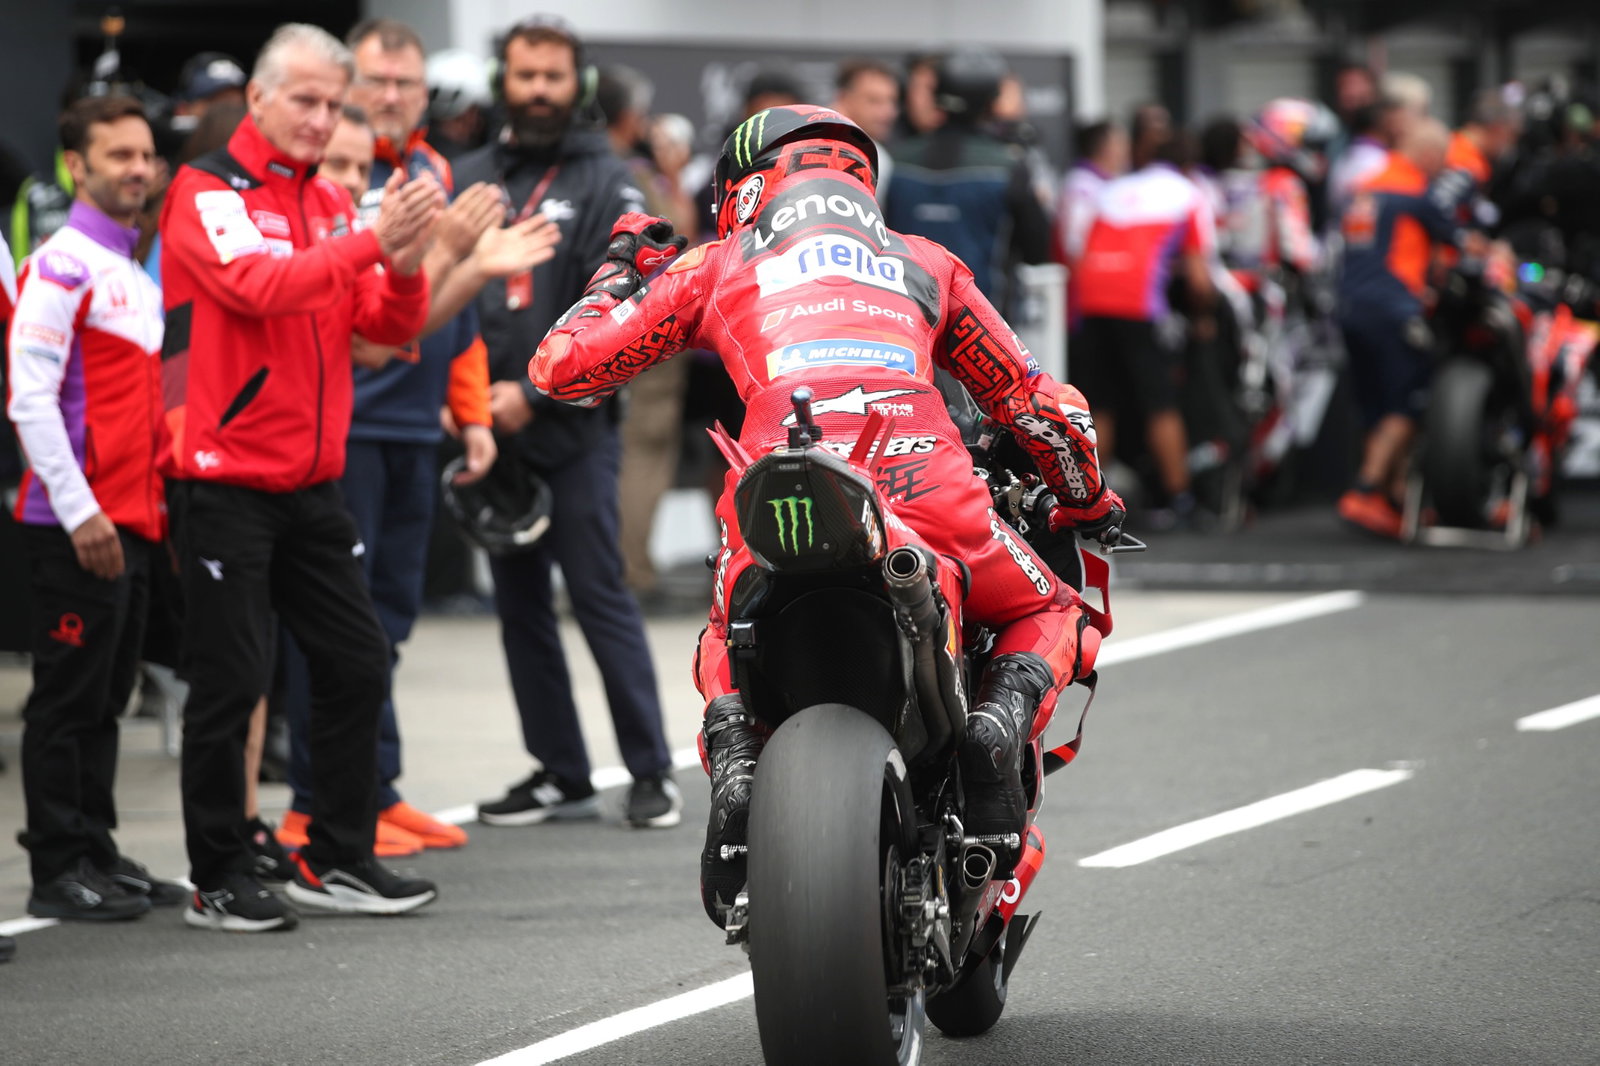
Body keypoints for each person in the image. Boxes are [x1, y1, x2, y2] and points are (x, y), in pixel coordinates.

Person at [525, 104, 1125, 926]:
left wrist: (618, 277)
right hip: (928, 491)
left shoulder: (715, 261)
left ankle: (736, 759)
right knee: (1049, 607)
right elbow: (1033, 404)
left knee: (725, 632)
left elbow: (560, 370)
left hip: (780, 492)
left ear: (746, 186)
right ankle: (995, 721)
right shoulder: (924, 262)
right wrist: (1086, 495)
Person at [159, 22, 445, 931]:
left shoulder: (325, 201)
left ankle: (338, 854)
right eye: (308, 101)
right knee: (232, 681)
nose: (325, 120)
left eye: (335, 104)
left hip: (310, 483)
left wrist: (399, 260)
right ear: (258, 98)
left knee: (358, 661)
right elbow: (258, 286)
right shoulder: (207, 187)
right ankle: (216, 873)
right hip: (224, 480)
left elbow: (380, 323)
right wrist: (371, 245)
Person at [456, 16, 679, 829]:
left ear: (578, 86)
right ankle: (560, 772)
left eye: (553, 75)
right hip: (484, 429)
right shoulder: (470, 176)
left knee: (598, 594)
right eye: (525, 75)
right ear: (501, 83)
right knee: (518, 608)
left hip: (574, 427)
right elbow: (445, 291)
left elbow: (630, 297)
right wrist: (474, 398)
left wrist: (536, 391)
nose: (539, 89)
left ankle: (652, 770)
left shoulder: (606, 179)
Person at [7, 94, 185, 921]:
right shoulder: (63, 264)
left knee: (106, 698)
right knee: (66, 699)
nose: (138, 170)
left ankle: (95, 846)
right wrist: (81, 514)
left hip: (134, 523)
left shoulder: (129, 269)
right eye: (118, 156)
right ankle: (55, 863)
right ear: (78, 165)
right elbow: (30, 400)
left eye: (145, 155)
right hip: (76, 528)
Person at [1070, 119, 1218, 526]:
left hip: (1090, 299)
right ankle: (1180, 497)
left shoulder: (1115, 188)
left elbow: (1081, 248)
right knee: (1160, 403)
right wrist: (1204, 317)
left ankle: (1085, 500)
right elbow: (1200, 277)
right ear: (1189, 166)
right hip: (1137, 305)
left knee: (1098, 403)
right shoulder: (1191, 194)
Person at [596, 65, 698, 599]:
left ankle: (614, 570)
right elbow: (678, 244)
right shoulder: (634, 176)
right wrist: (673, 176)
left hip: (596, 331)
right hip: (643, 333)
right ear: (631, 118)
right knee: (642, 451)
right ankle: (629, 573)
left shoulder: (590, 170)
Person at [1335, 118, 1458, 538]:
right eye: (1442, 160)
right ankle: (1366, 490)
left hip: (1351, 308)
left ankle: (1393, 497)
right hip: (1393, 308)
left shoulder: (1366, 186)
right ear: (1427, 154)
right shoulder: (1415, 191)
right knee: (1406, 403)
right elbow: (1458, 242)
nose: (1443, 169)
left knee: (1376, 406)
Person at [885, 48, 1051, 305]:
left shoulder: (896, 159)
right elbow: (1036, 250)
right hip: (984, 323)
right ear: (992, 99)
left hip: (907, 316)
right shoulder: (1009, 165)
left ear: (938, 94)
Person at [832, 57, 899, 202]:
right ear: (843, 98)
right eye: (874, 101)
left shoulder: (879, 156)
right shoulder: (872, 157)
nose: (888, 112)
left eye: (891, 101)